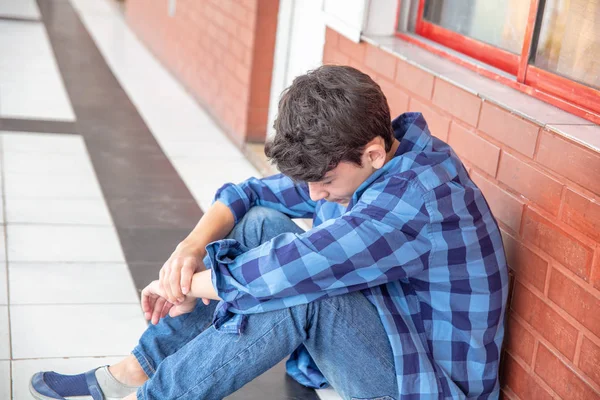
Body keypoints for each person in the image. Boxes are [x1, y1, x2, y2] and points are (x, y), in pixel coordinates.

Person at [30, 65, 509, 400]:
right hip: (388, 326)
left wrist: (184, 285)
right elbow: (251, 195)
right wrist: (188, 250)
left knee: (304, 291)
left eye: (324, 183)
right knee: (259, 226)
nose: (316, 196)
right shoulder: (375, 155)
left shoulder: (414, 200)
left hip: (419, 381)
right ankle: (138, 368)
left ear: (373, 153)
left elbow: (290, 272)